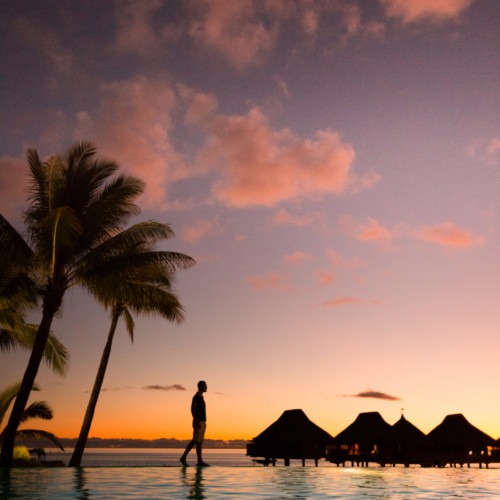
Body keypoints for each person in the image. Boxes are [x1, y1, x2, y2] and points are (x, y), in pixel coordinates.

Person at [180, 380, 209, 466]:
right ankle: (183, 457)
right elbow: (192, 410)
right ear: (200, 386)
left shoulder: (201, 397)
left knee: (199, 443)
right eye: (205, 386)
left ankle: (199, 461)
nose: (206, 387)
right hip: (198, 421)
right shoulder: (196, 397)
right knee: (195, 441)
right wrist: (196, 420)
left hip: (203, 422)